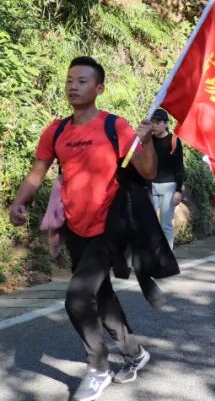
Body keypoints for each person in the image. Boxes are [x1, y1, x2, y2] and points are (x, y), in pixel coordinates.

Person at [7, 57, 160, 401]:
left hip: (110, 225)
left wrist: (146, 141)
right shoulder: (57, 130)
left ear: (99, 88)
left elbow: (147, 172)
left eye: (82, 81)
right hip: (76, 226)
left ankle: (97, 366)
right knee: (99, 294)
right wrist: (21, 202)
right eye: (69, 81)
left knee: (77, 297)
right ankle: (134, 352)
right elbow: (37, 172)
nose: (73, 86)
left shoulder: (115, 127)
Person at [149, 109, 184, 248]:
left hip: (169, 187)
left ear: (165, 123)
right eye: (153, 123)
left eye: (158, 122)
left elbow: (179, 167)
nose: (155, 125)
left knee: (166, 224)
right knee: (148, 222)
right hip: (151, 186)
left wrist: (178, 190)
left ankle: (167, 256)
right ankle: (151, 255)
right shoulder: (148, 140)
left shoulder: (174, 141)